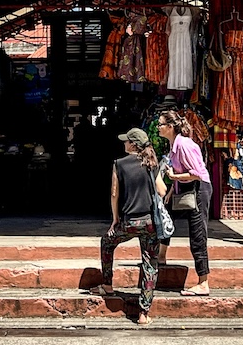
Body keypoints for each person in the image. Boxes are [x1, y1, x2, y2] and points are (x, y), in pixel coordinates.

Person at [91, 127, 160, 327]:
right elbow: (162, 190)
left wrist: (115, 219)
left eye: (126, 141)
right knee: (150, 265)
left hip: (129, 221)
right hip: (149, 223)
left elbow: (114, 193)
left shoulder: (119, 164)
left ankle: (107, 284)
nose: (123, 144)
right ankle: (144, 313)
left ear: (132, 145)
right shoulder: (152, 163)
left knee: (107, 242)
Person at [157, 109, 212, 295]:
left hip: (198, 189)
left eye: (160, 124)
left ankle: (203, 282)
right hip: (182, 188)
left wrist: (173, 176)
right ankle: (161, 256)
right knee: (166, 218)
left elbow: (196, 173)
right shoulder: (174, 145)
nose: (158, 128)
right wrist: (172, 189)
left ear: (170, 127)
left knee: (197, 233)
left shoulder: (185, 145)